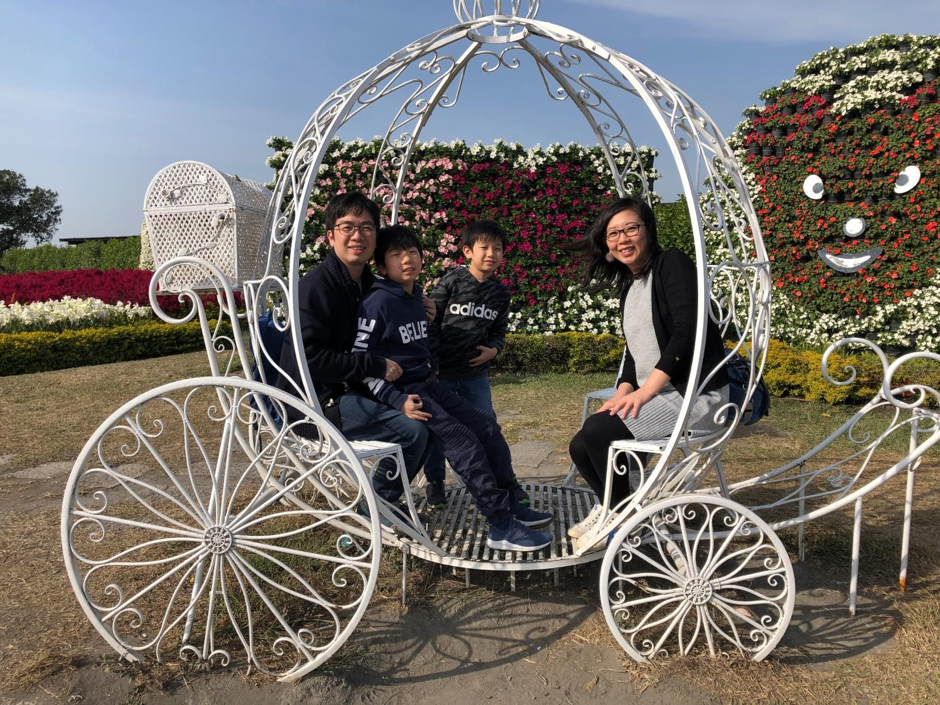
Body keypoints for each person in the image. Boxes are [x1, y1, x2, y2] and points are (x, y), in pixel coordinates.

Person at [353, 224, 554, 551]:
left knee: (488, 428)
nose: (407, 260)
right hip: (410, 396)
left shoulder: (416, 297)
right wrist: (397, 400)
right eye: (396, 254)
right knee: (464, 441)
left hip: (431, 385)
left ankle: (511, 504)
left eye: (413, 252)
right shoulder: (377, 303)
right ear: (381, 265)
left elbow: (423, 339)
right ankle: (500, 525)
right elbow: (363, 363)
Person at [565, 196, 730, 550]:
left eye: (631, 229)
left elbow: (688, 332)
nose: (622, 239)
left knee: (597, 433)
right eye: (613, 234)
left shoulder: (672, 264)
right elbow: (633, 351)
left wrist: (646, 392)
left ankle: (622, 518)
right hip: (663, 394)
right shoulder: (631, 285)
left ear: (648, 231)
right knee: (581, 444)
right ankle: (614, 507)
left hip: (695, 395)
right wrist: (625, 391)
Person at [275, 192, 432, 523]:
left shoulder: (370, 285)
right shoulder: (314, 288)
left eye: (367, 227)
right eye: (347, 226)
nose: (358, 235)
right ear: (331, 235)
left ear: (376, 236)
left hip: (353, 389)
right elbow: (312, 359)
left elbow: (396, 312)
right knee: (414, 431)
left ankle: (402, 496)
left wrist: (421, 304)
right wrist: (374, 365)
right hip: (315, 403)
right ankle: (376, 505)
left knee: (433, 412)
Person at [424, 219, 528, 509]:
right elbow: (430, 322)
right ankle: (435, 483)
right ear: (468, 251)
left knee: (489, 428)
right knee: (438, 431)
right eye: (484, 247)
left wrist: (493, 351)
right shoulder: (451, 281)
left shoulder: (500, 293)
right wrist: (432, 364)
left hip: (475, 378)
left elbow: (499, 331)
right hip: (442, 375)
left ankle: (504, 482)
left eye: (497, 248)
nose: (490, 254)